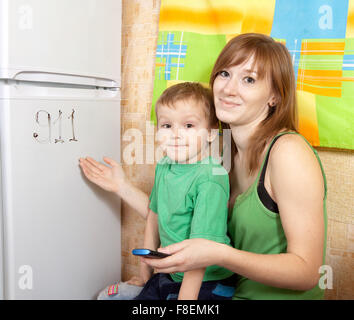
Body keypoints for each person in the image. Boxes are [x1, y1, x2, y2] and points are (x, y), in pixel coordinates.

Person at [143, 33, 328, 300]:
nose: (229, 89)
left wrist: (219, 254)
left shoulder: (288, 152)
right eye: (225, 74)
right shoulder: (223, 154)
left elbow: (309, 272)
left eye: (249, 79)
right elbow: (179, 217)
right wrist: (121, 188)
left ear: (274, 96)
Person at [80, 82, 236, 300]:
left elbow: (202, 250)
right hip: (172, 274)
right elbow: (154, 217)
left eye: (189, 126)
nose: (176, 135)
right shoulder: (164, 166)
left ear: (210, 133)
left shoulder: (211, 177)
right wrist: (145, 276)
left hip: (207, 279)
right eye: (166, 126)